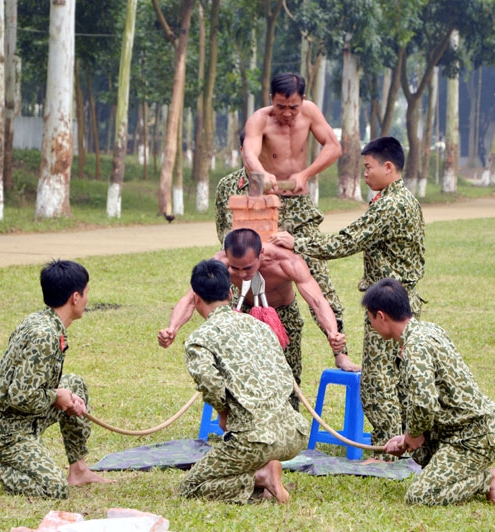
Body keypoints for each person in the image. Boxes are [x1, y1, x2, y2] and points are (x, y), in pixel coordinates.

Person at [270, 136, 425, 460]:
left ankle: (386, 452)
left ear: (388, 166)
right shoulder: (402, 199)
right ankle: (401, 445)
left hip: (389, 305)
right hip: (399, 298)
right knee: (396, 378)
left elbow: (347, 240)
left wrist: (298, 243)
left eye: (368, 167)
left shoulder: (391, 204)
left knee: (377, 381)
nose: (364, 173)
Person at [158, 228, 359, 411]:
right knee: (240, 372)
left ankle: (288, 427)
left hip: (282, 314)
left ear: (261, 254)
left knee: (288, 376)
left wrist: (332, 332)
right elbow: (192, 297)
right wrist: (172, 328)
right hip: (244, 310)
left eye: (247, 268)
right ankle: (243, 425)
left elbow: (316, 300)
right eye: (235, 269)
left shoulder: (287, 262)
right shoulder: (220, 263)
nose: (242, 274)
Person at [0, 259, 111, 499]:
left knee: (73, 383)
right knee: (53, 488)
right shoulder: (44, 335)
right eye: (86, 293)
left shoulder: (42, 320)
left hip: (21, 415)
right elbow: (20, 396)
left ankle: (78, 470)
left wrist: (61, 394)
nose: (87, 300)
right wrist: (57, 396)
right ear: (75, 297)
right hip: (7, 429)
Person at [363, 278, 495, 506]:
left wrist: (411, 435)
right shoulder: (427, 329)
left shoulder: (415, 347)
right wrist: (406, 438)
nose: (371, 325)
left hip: (471, 438)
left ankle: (488, 479)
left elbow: (424, 403)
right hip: (460, 430)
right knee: (419, 450)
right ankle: (456, 469)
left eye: (370, 318)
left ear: (381, 316)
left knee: (419, 496)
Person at [178, 259, 309, 504]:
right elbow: (284, 374)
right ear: (231, 292)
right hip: (294, 434)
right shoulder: (260, 326)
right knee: (242, 454)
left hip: (254, 439)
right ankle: (263, 472)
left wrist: (223, 411)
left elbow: (209, 381)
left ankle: (260, 477)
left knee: (191, 487)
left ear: (196, 297)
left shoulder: (200, 339)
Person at [240, 73, 348, 361]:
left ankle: (340, 349)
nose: (287, 114)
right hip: (266, 205)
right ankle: (248, 343)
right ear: (271, 99)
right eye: (280, 106)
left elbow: (334, 147)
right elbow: (249, 153)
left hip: (298, 204)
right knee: (249, 271)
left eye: (293, 107)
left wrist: (306, 173)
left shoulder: (310, 112)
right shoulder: (259, 120)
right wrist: (261, 174)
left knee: (319, 278)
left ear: (303, 101)